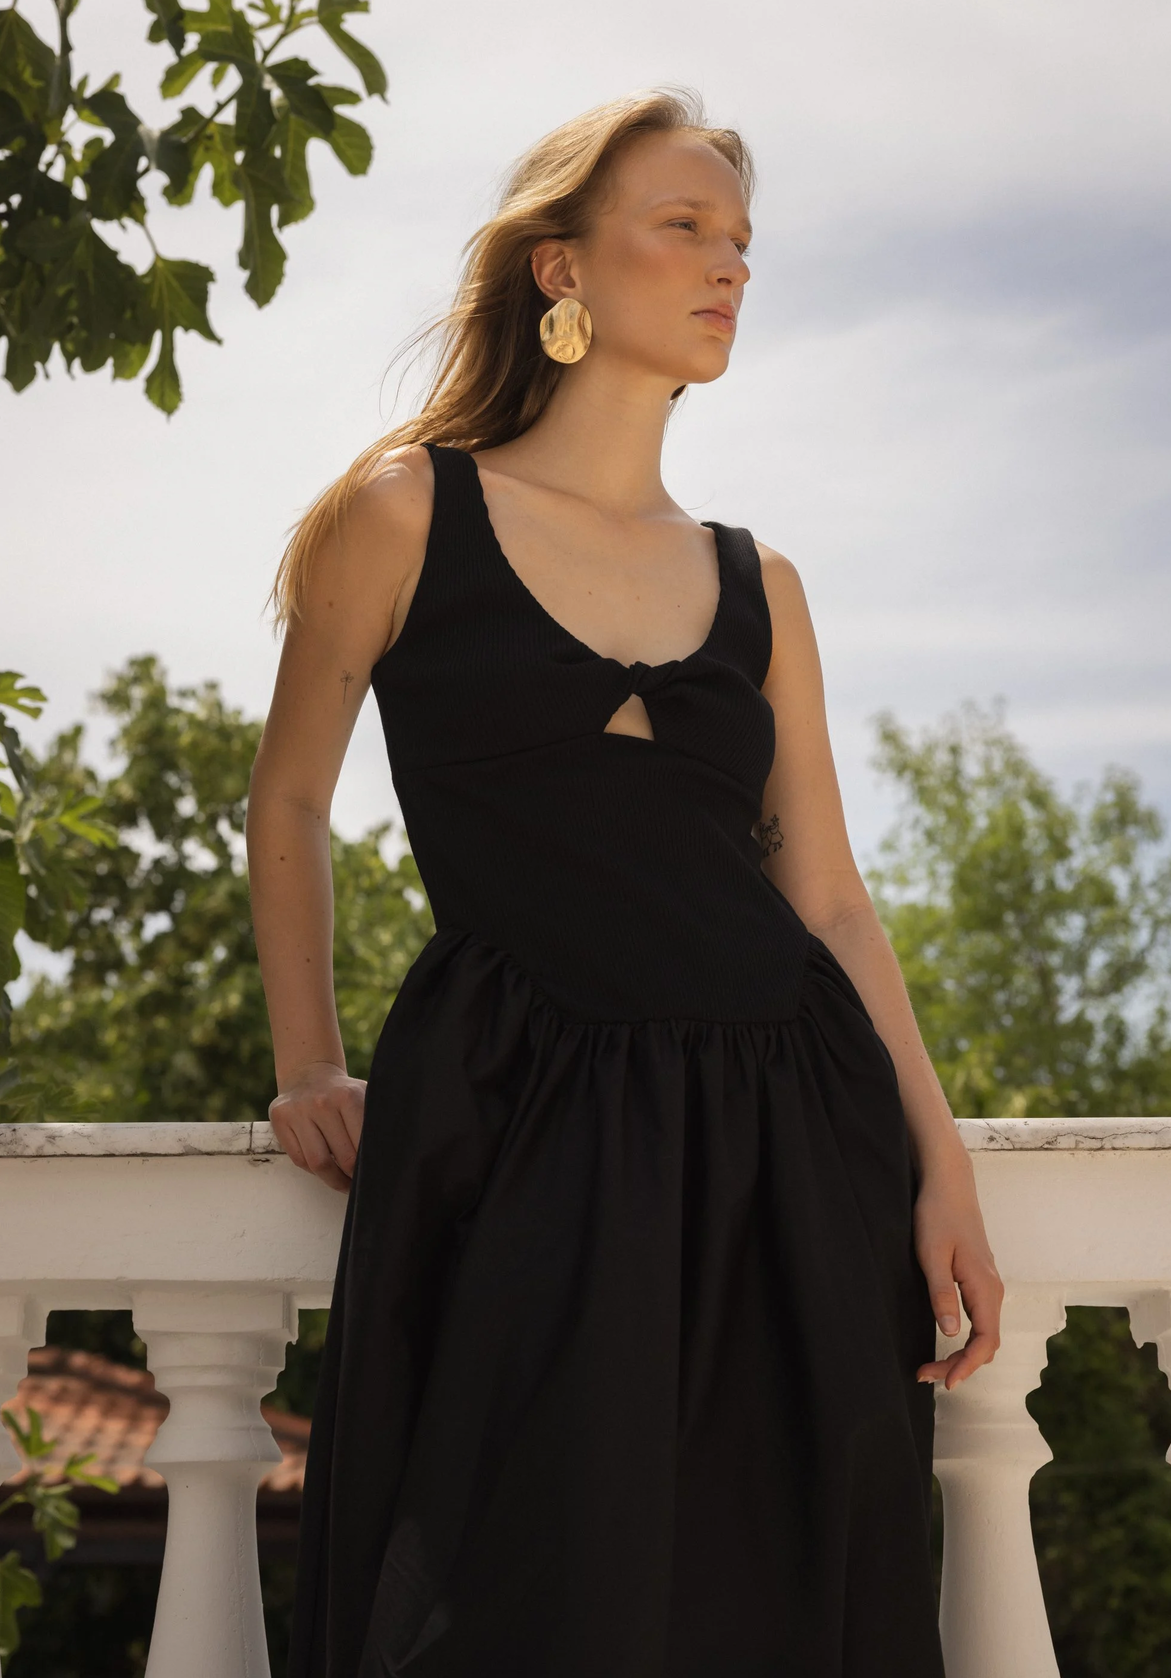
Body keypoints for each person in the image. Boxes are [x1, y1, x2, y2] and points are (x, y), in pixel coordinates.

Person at [247, 86, 1003, 1678]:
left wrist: (941, 1165)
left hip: (793, 1131)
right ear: (561, 268)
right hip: (524, 1117)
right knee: (523, 1595)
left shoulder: (761, 582)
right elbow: (293, 797)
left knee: (783, 1600)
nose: (729, 266)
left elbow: (832, 898)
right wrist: (305, 1053)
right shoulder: (401, 512)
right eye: (685, 228)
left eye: (742, 243)